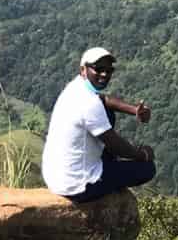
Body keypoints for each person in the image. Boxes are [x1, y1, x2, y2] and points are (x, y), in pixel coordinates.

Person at [41, 47, 157, 203]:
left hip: (56, 176)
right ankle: (106, 181)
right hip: (78, 185)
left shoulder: (76, 88)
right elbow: (116, 145)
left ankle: (108, 166)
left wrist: (134, 110)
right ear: (83, 70)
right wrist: (143, 154)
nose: (104, 74)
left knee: (108, 112)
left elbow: (103, 99)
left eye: (109, 70)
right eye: (99, 69)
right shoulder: (89, 103)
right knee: (147, 169)